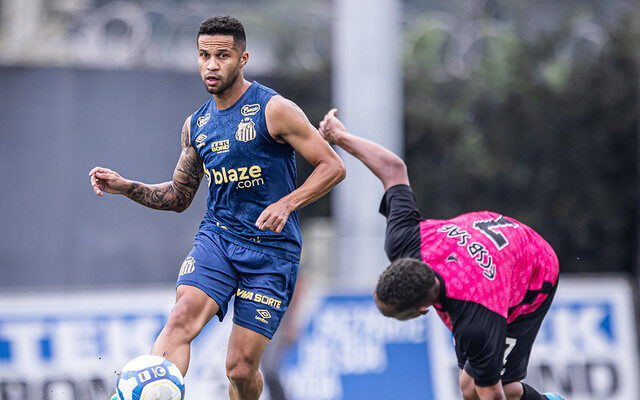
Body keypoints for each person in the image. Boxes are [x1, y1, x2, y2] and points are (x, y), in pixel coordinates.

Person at [90, 16, 345, 400]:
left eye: (222, 56)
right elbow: (178, 196)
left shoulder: (274, 109)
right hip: (219, 239)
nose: (211, 64)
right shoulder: (197, 125)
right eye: (204, 55)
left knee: (240, 369)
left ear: (243, 58)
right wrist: (127, 187)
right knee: (181, 317)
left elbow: (333, 166)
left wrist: (287, 203)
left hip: (271, 251)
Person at [318, 109, 564, 400]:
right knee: (468, 386)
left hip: (533, 274)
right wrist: (340, 137)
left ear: (422, 310)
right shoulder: (404, 241)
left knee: (504, 390)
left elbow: (493, 396)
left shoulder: (475, 319)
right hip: (495, 246)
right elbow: (393, 169)